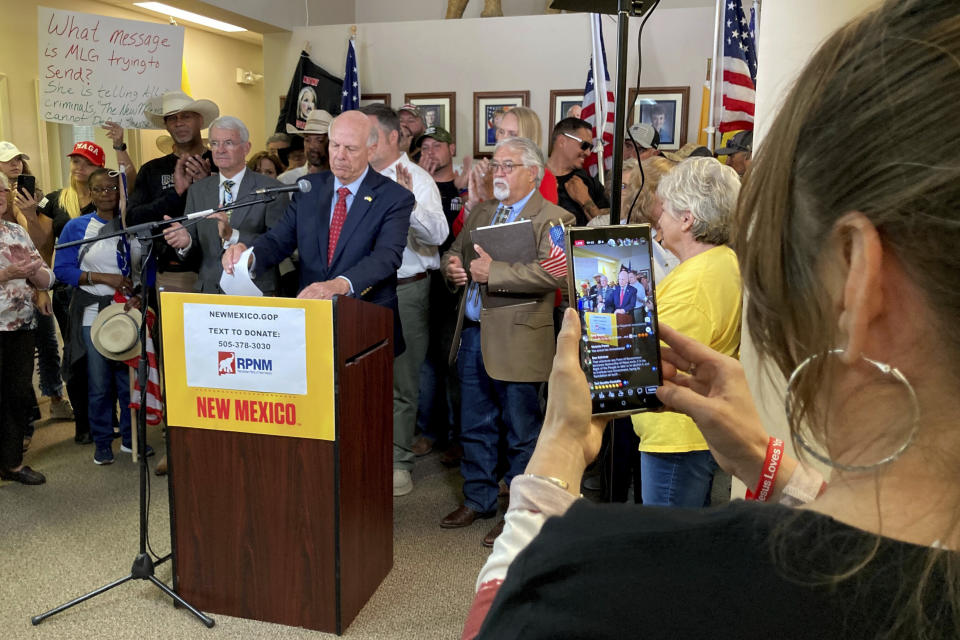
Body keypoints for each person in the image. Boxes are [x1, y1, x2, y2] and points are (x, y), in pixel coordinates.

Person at [467, 3, 960, 638]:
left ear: (857, 280)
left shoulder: (618, 583)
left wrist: (560, 447)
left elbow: (502, 622)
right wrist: (774, 469)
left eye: (783, 246)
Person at [440, 136, 575, 547]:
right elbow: (453, 255)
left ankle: (518, 511)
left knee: (521, 431)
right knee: (474, 425)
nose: (498, 173)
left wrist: (492, 273)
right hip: (474, 336)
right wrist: (454, 270)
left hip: (521, 342)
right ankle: (478, 499)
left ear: (532, 173)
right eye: (495, 165)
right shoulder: (481, 212)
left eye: (508, 166)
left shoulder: (555, 219)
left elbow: (555, 276)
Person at [222, 111, 414, 345]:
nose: (340, 156)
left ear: (371, 150)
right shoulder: (309, 189)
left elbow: (387, 256)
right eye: (335, 145)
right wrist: (248, 256)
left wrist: (340, 284)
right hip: (311, 320)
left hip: (366, 321)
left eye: (351, 149)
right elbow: (278, 240)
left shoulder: (394, 197)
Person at [629, 157, 742, 507]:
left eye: (664, 210)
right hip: (689, 433)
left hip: (677, 437)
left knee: (665, 548)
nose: (658, 217)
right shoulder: (719, 262)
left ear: (687, 219)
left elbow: (652, 364)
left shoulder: (695, 284)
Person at [359, 104, 448, 497]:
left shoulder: (417, 179)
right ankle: (367, 453)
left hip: (405, 288)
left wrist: (408, 203)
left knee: (402, 378)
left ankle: (399, 460)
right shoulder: (355, 177)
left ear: (394, 137)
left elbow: (438, 236)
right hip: (359, 289)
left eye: (371, 136)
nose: (363, 144)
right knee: (362, 376)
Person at [54, 169, 147, 466]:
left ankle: (132, 440)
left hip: (128, 311)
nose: (107, 194)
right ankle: (103, 441)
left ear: (122, 192)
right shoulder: (76, 227)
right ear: (90, 193)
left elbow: (147, 265)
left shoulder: (134, 225)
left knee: (128, 380)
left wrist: (141, 294)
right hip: (93, 313)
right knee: (98, 383)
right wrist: (102, 277)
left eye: (112, 188)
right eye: (100, 189)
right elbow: (62, 269)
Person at [163, 117, 288, 296]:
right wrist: (187, 243)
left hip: (255, 292)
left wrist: (233, 235)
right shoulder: (198, 191)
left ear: (246, 148)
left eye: (228, 143)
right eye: (214, 143)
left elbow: (279, 245)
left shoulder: (272, 189)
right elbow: (196, 252)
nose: (220, 150)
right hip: (209, 293)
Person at [127, 90, 220, 290]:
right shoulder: (152, 170)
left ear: (200, 121)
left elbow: (238, 210)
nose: (179, 123)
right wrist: (176, 193)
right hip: (175, 272)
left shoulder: (220, 163)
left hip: (220, 266)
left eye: (186, 116)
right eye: (172, 119)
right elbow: (134, 219)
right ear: (167, 126)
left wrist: (206, 188)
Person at [414, 126, 468, 463]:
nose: (431, 152)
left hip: (457, 282)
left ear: (451, 148)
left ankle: (456, 435)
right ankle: (428, 430)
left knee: (453, 362)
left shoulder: (463, 188)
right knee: (424, 361)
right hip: (424, 281)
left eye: (437, 145)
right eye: (425, 147)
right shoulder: (414, 186)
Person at [0, 173, 54, 485]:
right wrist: (5, 273)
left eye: (2, 191)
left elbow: (45, 275)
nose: (1, 196)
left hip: (21, 324)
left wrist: (40, 277)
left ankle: (12, 463)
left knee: (18, 394)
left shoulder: (17, 230)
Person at [466, 106, 559, 213]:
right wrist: (472, 204)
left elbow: (533, 226)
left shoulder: (544, 179)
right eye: (501, 132)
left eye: (512, 134)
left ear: (528, 139)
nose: (502, 139)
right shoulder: (489, 172)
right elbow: (459, 229)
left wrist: (490, 196)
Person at [546, 117, 609, 226]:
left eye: (591, 147)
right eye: (584, 145)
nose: (588, 153)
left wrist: (586, 200)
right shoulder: (532, 179)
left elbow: (609, 231)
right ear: (562, 141)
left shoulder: (590, 184)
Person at [280, 109, 332, 184]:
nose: (311, 146)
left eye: (319, 140)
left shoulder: (341, 179)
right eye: (307, 140)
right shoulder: (287, 180)